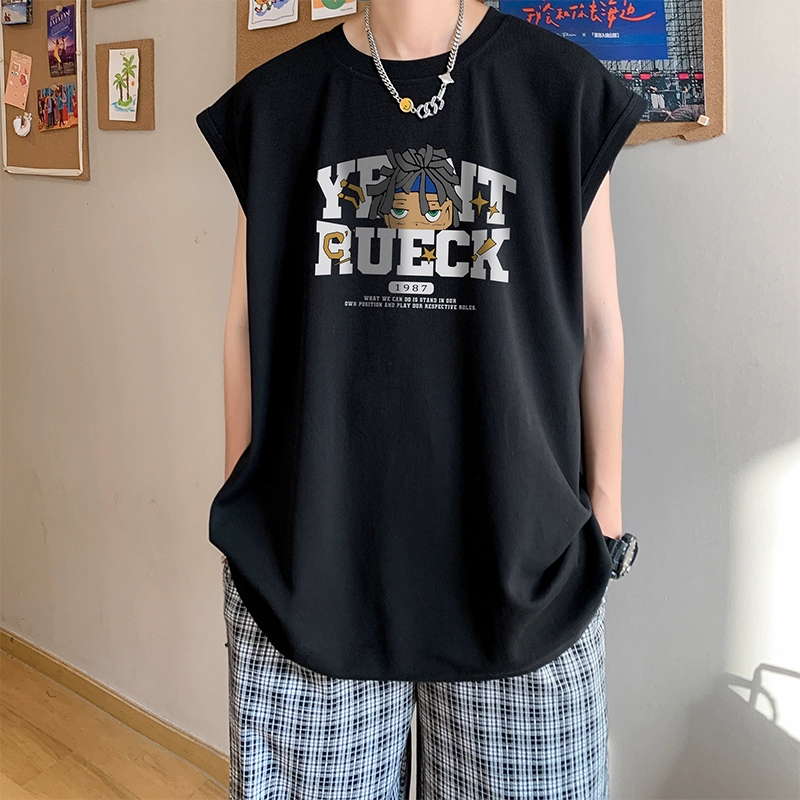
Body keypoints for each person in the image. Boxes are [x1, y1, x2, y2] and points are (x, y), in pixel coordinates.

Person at [196, 0, 647, 797]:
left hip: (523, 572)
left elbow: (601, 325)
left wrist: (603, 521)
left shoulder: (564, 90)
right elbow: (241, 324)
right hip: (311, 572)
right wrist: (247, 501)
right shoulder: (277, 103)